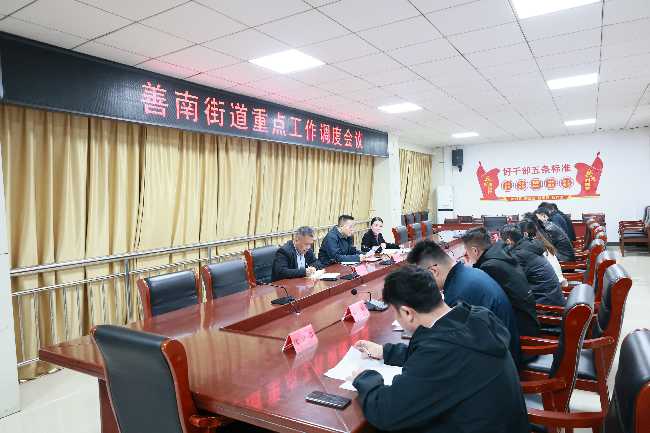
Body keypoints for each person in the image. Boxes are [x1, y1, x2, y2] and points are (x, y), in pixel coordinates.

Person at [350, 266, 530, 433]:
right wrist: (386, 352)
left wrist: (364, 378)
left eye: (396, 313)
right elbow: (444, 359)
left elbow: (386, 412)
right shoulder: (475, 317)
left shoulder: (441, 351)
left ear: (407, 313)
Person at [406, 240, 521, 364]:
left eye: (420, 278)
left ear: (433, 271)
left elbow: (449, 346)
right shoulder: (466, 274)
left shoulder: (458, 294)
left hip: (500, 362)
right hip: (503, 350)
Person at [461, 227, 540, 339]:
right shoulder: (500, 254)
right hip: (528, 319)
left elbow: (480, 304)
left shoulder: (489, 267)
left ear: (474, 251)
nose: (465, 254)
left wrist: (467, 270)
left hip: (519, 331)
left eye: (466, 251)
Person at [500, 224, 565, 306]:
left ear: (508, 241)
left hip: (546, 305)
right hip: (554, 297)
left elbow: (514, 281)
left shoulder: (520, 254)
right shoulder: (529, 245)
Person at [520, 218, 568, 289]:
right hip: (558, 283)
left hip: (553, 286)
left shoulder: (533, 247)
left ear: (525, 234)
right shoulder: (542, 241)